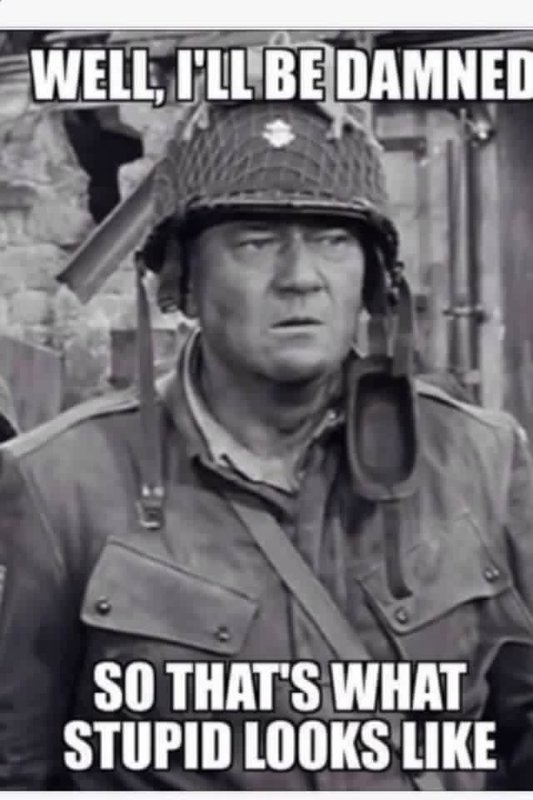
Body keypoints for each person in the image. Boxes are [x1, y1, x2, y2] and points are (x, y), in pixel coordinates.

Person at [1, 50, 533, 792]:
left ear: (373, 281)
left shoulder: (480, 457)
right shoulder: (60, 485)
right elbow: (18, 765)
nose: (300, 277)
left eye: (332, 240)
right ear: (184, 282)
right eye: (255, 242)